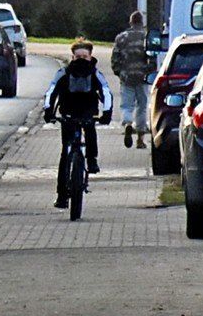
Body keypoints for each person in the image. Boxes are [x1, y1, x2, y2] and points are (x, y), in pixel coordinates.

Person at [42, 39, 114, 208]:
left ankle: (92, 159)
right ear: (72, 57)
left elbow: (106, 92)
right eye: (78, 56)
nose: (81, 59)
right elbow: (52, 91)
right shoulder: (64, 73)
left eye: (85, 56)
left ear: (91, 57)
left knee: (90, 131)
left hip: (88, 111)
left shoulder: (96, 74)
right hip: (68, 112)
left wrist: (107, 113)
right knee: (65, 152)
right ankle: (61, 195)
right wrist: (48, 111)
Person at [111, 11, 154, 148]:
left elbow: (115, 58)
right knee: (142, 106)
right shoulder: (146, 37)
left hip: (126, 76)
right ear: (142, 23)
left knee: (126, 105)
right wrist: (149, 71)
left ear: (130, 22)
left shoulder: (121, 38)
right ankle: (140, 139)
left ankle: (128, 123)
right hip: (142, 76)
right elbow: (153, 58)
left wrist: (119, 72)